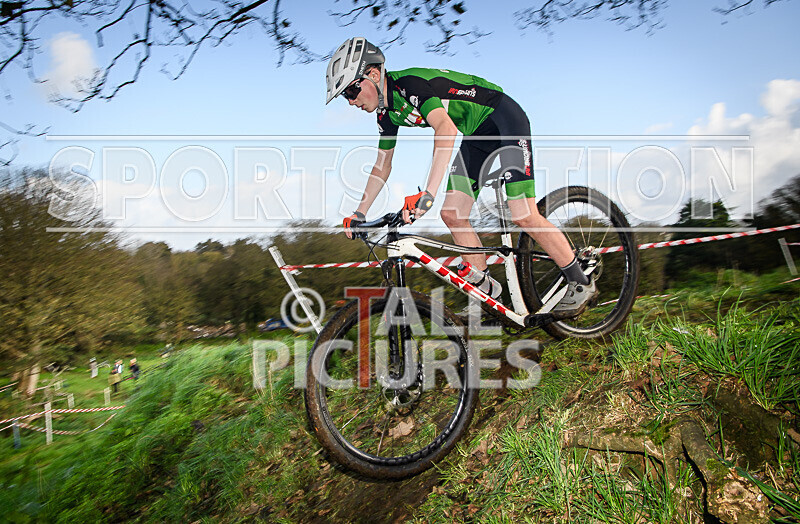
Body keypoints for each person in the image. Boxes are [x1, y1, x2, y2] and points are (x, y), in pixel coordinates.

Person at [327, 37, 597, 317]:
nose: (351, 102)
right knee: (453, 214)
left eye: (351, 92)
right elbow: (382, 165)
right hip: (476, 136)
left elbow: (445, 128)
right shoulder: (386, 115)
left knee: (523, 214)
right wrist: (360, 212)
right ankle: (485, 291)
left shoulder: (408, 85)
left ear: (372, 74)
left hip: (502, 119)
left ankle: (580, 280)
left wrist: (428, 192)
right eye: (346, 97)